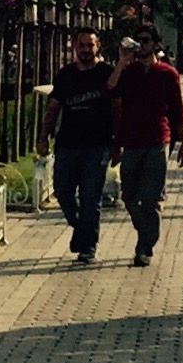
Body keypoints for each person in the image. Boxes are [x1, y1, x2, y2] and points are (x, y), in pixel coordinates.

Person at [44, 27, 118, 262]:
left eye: (90, 45)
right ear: (75, 47)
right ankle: (81, 229)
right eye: (82, 45)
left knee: (90, 197)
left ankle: (88, 247)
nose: (86, 49)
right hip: (68, 144)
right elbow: (54, 106)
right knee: (62, 192)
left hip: (97, 145)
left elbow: (118, 107)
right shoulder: (65, 74)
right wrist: (43, 136)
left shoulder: (107, 73)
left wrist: (118, 141)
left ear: (98, 47)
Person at [111, 32, 183, 266]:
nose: (140, 44)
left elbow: (177, 109)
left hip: (157, 139)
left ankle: (145, 246)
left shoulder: (167, 73)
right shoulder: (128, 72)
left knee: (151, 198)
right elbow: (110, 91)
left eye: (145, 40)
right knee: (129, 195)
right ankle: (145, 232)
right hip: (131, 140)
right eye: (137, 40)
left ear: (155, 44)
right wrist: (121, 62)